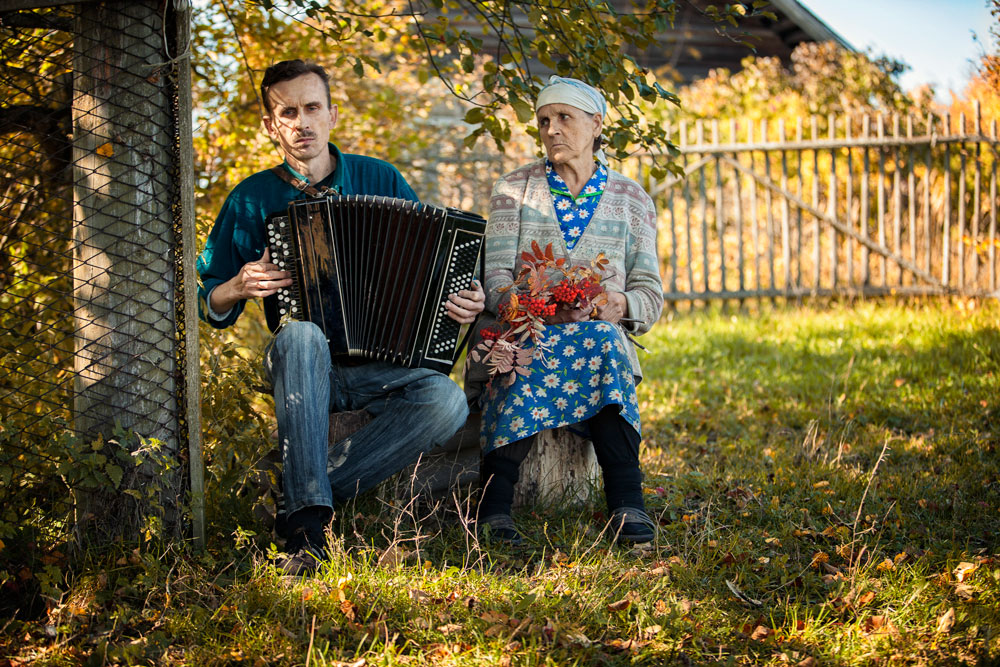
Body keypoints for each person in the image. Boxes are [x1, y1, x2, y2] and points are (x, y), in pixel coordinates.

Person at [197, 59, 485, 574]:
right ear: (271, 124)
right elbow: (207, 299)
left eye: (312, 108)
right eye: (288, 111)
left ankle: (304, 496)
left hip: (380, 366)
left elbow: (434, 269)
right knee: (303, 334)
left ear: (332, 114)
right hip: (304, 366)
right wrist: (239, 285)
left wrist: (465, 299)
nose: (301, 122)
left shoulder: (380, 178)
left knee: (446, 401)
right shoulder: (252, 199)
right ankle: (309, 533)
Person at [475, 76, 663, 545]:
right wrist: (533, 308)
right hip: (526, 331)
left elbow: (649, 292)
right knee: (522, 349)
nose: (552, 129)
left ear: (596, 124)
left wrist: (620, 304)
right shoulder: (513, 189)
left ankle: (627, 504)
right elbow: (494, 279)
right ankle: (494, 510)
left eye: (565, 118)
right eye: (543, 121)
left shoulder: (631, 199)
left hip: (597, 342)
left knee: (600, 341)